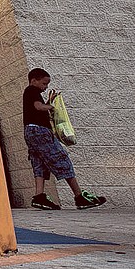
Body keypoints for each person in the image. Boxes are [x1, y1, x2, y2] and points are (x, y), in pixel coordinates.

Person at [23, 68, 106, 210]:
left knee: (39, 162)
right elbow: (38, 107)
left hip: (30, 131)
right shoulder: (32, 90)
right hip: (40, 131)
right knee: (61, 158)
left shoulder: (29, 93)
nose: (46, 87)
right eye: (44, 83)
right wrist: (51, 106)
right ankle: (79, 196)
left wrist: (48, 101)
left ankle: (39, 196)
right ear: (34, 80)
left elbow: (36, 107)